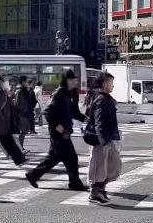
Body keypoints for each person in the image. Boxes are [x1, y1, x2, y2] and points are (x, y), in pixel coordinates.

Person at [26, 69, 86, 190]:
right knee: (69, 158)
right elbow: (47, 111)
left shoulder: (68, 94)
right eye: (73, 79)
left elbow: (73, 112)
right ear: (67, 80)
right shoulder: (59, 94)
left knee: (57, 158)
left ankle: (33, 175)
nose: (75, 82)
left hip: (64, 132)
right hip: (59, 133)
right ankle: (74, 183)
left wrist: (86, 118)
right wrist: (56, 125)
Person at [84, 72, 121, 204]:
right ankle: (95, 192)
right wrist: (102, 139)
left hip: (107, 138)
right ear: (105, 84)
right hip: (101, 139)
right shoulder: (102, 100)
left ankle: (100, 189)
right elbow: (99, 121)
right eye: (111, 83)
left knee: (111, 167)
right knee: (99, 166)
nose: (113, 86)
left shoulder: (105, 99)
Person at [13, 75, 34, 151]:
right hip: (21, 114)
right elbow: (17, 103)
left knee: (24, 131)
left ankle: (20, 146)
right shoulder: (19, 91)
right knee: (22, 131)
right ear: (23, 82)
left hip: (25, 113)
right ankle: (19, 147)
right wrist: (23, 110)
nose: (28, 83)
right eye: (26, 82)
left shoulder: (24, 90)